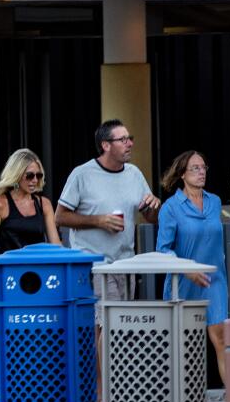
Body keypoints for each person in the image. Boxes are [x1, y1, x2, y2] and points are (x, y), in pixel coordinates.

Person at [55, 119, 160, 301]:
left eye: (130, 138)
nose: (130, 144)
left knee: (122, 325)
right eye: (123, 140)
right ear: (106, 145)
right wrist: (99, 220)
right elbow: (60, 217)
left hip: (127, 265)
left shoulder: (134, 173)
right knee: (105, 323)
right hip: (95, 265)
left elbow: (151, 218)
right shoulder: (82, 174)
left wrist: (155, 205)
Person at [157, 150, 228, 387]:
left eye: (203, 167)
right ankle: (180, 398)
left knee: (221, 339)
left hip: (214, 280)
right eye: (195, 168)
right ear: (182, 175)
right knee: (184, 344)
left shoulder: (214, 202)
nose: (201, 172)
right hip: (184, 282)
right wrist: (186, 270)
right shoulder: (171, 208)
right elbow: (163, 249)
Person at [0, 148, 61, 310]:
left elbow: (56, 245)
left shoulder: (43, 204)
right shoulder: (0, 205)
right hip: (12, 278)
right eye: (29, 175)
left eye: (39, 176)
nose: (34, 180)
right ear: (16, 175)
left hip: (41, 276)